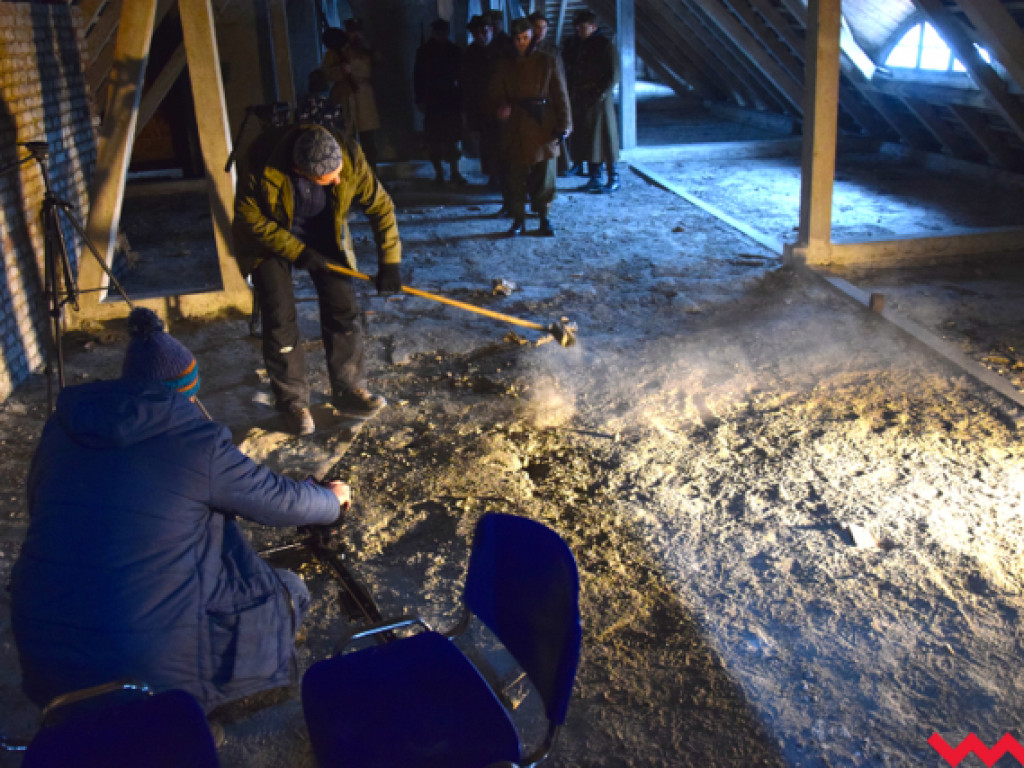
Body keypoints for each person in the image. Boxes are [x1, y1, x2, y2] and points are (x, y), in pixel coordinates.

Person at [10, 308, 352, 713]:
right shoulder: (194, 444)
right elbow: (279, 501)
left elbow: (38, 506)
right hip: (145, 665)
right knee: (290, 591)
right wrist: (332, 501)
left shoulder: (63, 428)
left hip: (42, 654)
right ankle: (197, 714)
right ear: (185, 392)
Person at [233, 123, 401, 435]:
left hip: (325, 234)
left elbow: (381, 206)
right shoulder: (260, 159)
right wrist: (296, 250)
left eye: (338, 173)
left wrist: (389, 262)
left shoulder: (348, 155)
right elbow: (250, 218)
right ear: (298, 169)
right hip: (270, 239)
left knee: (343, 308)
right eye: (329, 179)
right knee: (279, 318)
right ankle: (293, 404)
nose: (338, 180)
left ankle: (349, 389)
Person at [490, 18, 570, 237]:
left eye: (524, 38)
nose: (521, 43)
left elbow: (560, 94)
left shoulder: (547, 61)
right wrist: (501, 106)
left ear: (531, 36)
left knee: (544, 174)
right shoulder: (505, 65)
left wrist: (565, 124)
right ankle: (518, 219)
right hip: (515, 124)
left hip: (543, 122)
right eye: (517, 39)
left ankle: (544, 217)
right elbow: (495, 93)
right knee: (515, 174)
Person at [565, 10, 620, 193]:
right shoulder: (579, 45)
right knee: (590, 140)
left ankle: (614, 177)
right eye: (578, 27)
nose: (579, 30)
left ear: (593, 27)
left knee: (605, 139)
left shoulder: (605, 46)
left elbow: (613, 75)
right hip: (582, 99)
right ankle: (595, 177)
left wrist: (598, 94)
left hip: (599, 102)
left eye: (583, 27)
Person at [414, 19, 465, 185]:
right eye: (438, 32)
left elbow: (461, 77)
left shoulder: (454, 51)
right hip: (433, 100)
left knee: (453, 138)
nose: (440, 35)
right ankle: (439, 173)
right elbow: (418, 78)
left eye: (443, 32)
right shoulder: (424, 51)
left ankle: (454, 172)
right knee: (433, 139)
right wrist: (420, 99)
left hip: (450, 100)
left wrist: (461, 99)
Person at [462, 15, 500, 187]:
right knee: (488, 145)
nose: (481, 36)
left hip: (503, 106)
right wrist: (472, 120)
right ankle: (493, 176)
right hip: (482, 107)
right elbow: (468, 87)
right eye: (476, 33)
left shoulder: (504, 48)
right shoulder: (471, 53)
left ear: (491, 29)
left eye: (484, 31)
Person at [343, 18, 382, 172]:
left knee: (368, 139)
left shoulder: (367, 49)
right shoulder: (341, 50)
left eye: (357, 31)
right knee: (348, 138)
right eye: (352, 31)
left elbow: (378, 64)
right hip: (347, 95)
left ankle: (372, 172)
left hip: (364, 95)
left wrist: (368, 49)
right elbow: (329, 71)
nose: (355, 35)